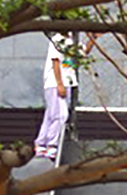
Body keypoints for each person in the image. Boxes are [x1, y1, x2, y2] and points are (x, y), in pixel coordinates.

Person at [33, 32, 90, 161]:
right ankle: (52, 143)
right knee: (61, 114)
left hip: (68, 81)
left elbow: (83, 53)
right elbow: (55, 62)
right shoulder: (57, 40)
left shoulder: (72, 40)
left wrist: (93, 39)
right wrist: (59, 84)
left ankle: (41, 142)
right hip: (56, 83)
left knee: (51, 113)